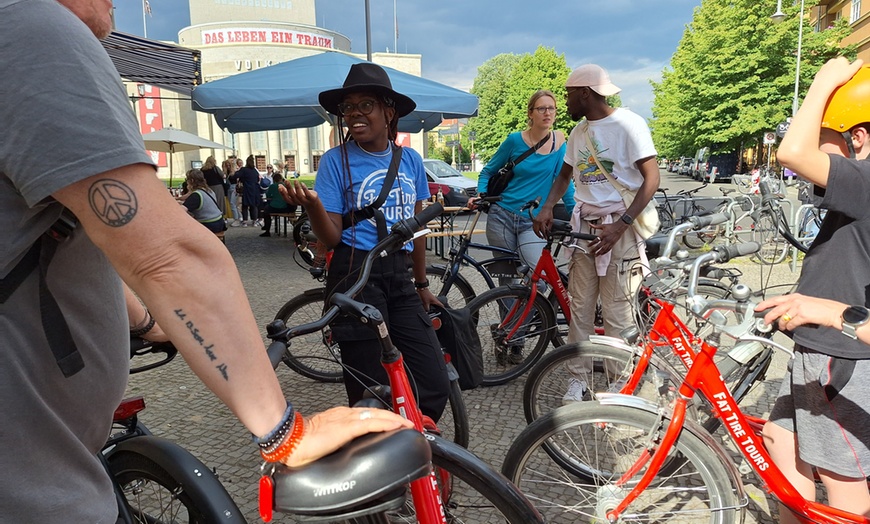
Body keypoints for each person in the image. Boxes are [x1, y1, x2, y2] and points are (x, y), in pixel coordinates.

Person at [0, 2, 412, 522]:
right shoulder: (30, 27)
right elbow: (169, 255)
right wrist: (285, 432)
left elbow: (66, 241)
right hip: (32, 486)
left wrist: (146, 319)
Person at [283, 62, 450, 424]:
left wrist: (421, 284)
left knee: (433, 381)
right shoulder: (335, 161)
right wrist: (313, 206)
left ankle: (412, 442)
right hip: (355, 275)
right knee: (371, 390)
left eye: (365, 105)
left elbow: (417, 229)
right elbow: (331, 238)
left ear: (389, 111)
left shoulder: (410, 160)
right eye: (347, 108)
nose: (354, 115)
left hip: (399, 276)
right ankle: (386, 465)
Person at [758, 57, 870, 522]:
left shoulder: (867, 179)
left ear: (857, 136)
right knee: (780, 440)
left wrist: (823, 81)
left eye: (832, 132)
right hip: (821, 350)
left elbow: (793, 153)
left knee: (845, 487)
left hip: (841, 357)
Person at [532, 64, 659, 402]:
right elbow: (564, 176)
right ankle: (579, 379)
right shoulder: (579, 133)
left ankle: (621, 384)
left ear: (585, 93)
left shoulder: (629, 124)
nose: (565, 102)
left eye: (569, 94)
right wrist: (547, 207)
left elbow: (652, 179)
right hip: (585, 231)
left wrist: (623, 225)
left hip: (621, 230)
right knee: (580, 310)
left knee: (618, 312)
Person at [181, 168, 227, 234]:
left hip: (209, 224)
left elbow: (182, 210)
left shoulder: (196, 195)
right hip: (219, 222)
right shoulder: (208, 190)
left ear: (191, 180)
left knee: (185, 230)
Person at [260, 172, 296, 237]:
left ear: (274, 180)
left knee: (266, 211)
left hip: (274, 207)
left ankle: (267, 229)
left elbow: (268, 196)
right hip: (285, 208)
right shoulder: (286, 186)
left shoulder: (272, 186)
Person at [229, 155, 261, 227]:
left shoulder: (244, 169)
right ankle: (254, 220)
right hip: (255, 189)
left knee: (245, 205)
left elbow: (235, 176)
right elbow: (258, 179)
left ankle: (245, 221)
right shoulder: (254, 170)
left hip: (247, 189)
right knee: (253, 205)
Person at [223, 156, 241, 226]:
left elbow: (237, 180)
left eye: (229, 165)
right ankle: (239, 217)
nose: (228, 166)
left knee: (232, 203)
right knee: (233, 204)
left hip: (234, 188)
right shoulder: (227, 172)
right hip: (229, 188)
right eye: (226, 165)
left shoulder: (235, 172)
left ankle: (236, 219)